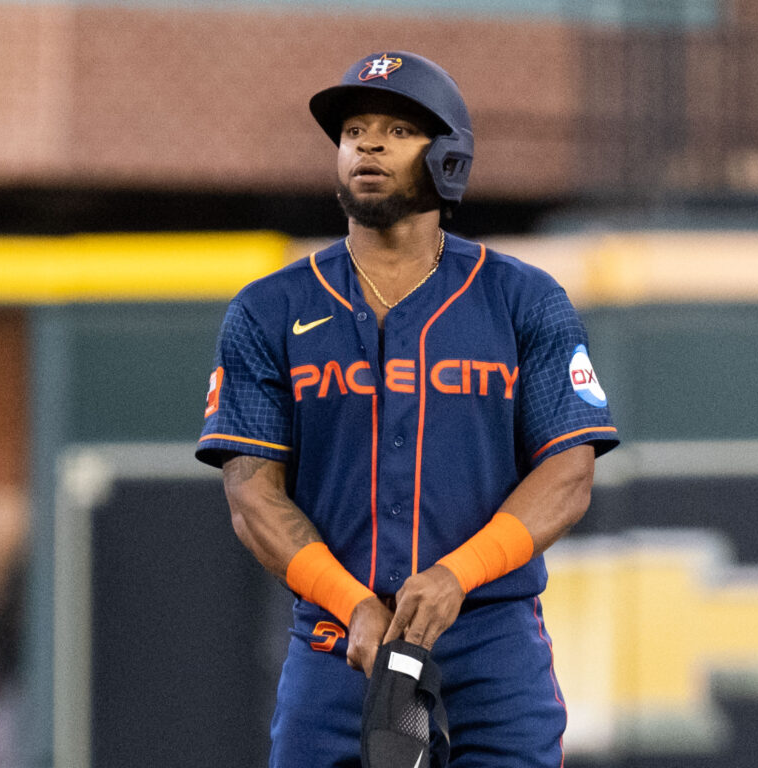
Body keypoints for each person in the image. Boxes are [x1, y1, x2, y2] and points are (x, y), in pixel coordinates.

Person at [196, 51, 619, 768]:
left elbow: (570, 473)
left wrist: (458, 574)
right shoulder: (270, 309)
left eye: (396, 130)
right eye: (354, 129)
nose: (367, 143)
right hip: (338, 646)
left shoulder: (522, 299)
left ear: (448, 155)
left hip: (489, 640)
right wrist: (353, 602)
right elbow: (251, 497)